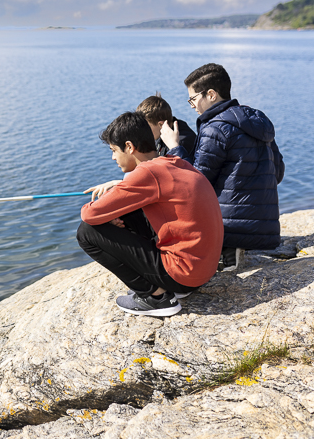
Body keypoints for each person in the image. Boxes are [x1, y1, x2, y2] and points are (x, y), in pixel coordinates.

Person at [77, 111, 223, 317]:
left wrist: (105, 211)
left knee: (86, 232)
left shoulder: (147, 173)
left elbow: (89, 215)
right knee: (129, 211)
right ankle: (164, 286)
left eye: (114, 150)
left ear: (129, 147)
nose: (112, 157)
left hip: (183, 274)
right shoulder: (175, 162)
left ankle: (156, 297)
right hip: (201, 272)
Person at [160, 63, 284, 271]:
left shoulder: (215, 128)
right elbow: (277, 173)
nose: (191, 105)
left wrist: (174, 147)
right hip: (266, 227)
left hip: (230, 229)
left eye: (193, 98)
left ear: (211, 94)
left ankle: (227, 249)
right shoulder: (257, 121)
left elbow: (196, 183)